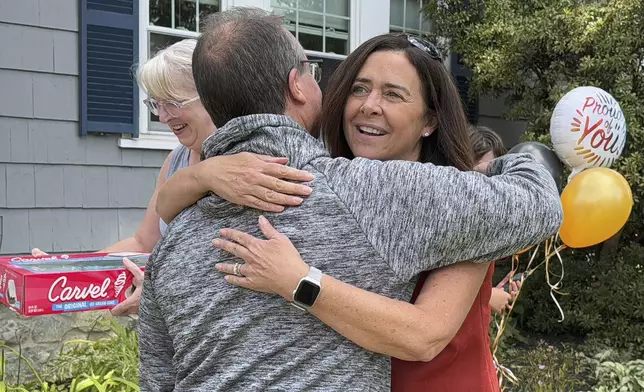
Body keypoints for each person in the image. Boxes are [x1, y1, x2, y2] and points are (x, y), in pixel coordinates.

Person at [138, 7, 563, 392]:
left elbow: (424, 335)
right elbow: (538, 204)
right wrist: (200, 174)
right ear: (297, 87)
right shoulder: (352, 190)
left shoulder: (443, 200)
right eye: (358, 88)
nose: (369, 106)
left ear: (430, 119)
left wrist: (299, 280)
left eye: (393, 94)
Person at [30, 38, 312, 316]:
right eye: (156, 103)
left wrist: (159, 293)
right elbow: (144, 243)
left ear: (214, 96)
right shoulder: (177, 158)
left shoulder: (257, 160)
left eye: (174, 102)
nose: (163, 117)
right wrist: (70, 270)